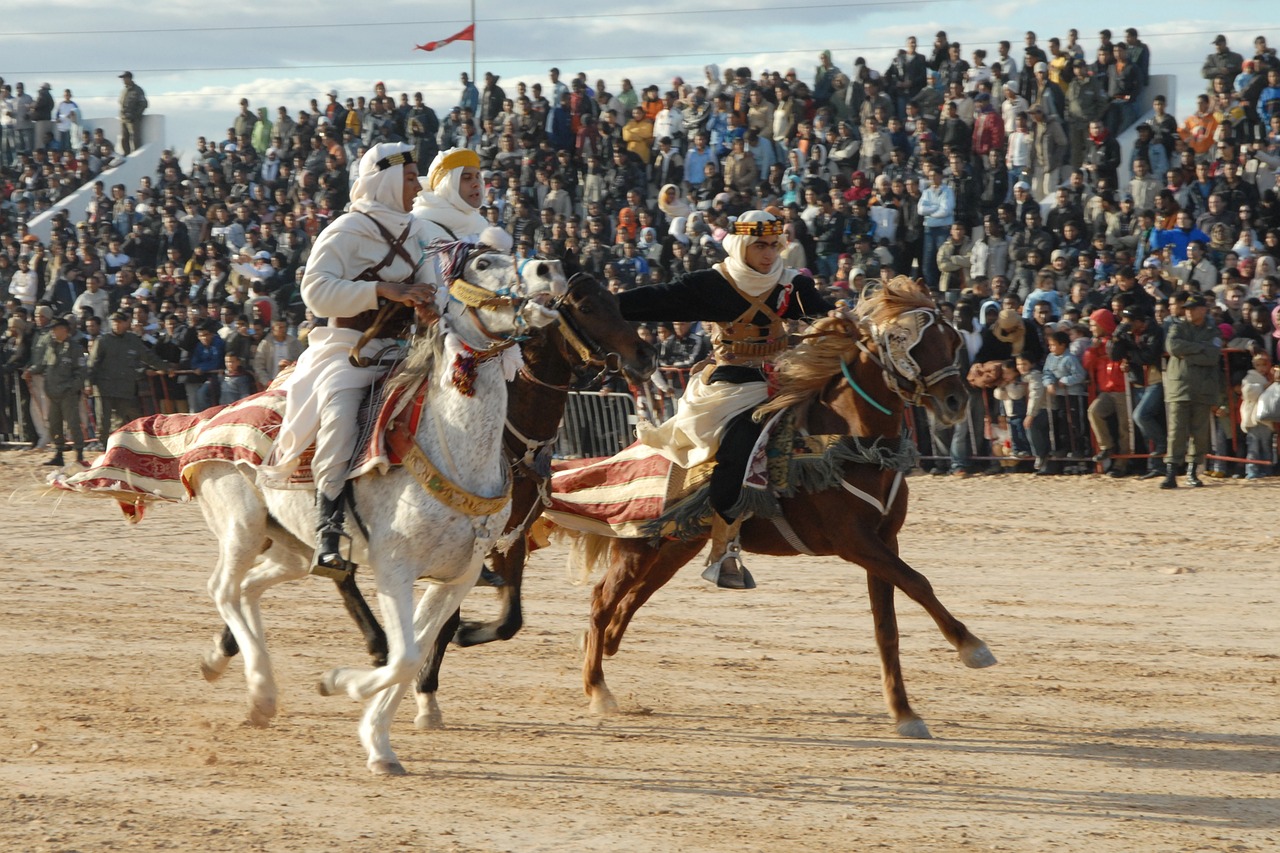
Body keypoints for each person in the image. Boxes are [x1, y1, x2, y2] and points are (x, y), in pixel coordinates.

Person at [615, 210, 833, 589]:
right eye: (759, 245)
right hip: (733, 385)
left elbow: (824, 318)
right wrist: (601, 304)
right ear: (741, 245)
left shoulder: (792, 284)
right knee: (740, 444)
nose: (768, 254)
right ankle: (724, 549)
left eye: (773, 245)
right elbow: (656, 300)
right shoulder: (713, 283)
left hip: (787, 378)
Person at [259, 142, 439, 579]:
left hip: (408, 352)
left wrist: (431, 305)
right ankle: (329, 524)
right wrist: (381, 291)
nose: (419, 186)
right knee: (340, 414)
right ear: (388, 180)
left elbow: (436, 286)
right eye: (411, 178)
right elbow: (315, 291)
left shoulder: (420, 231)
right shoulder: (345, 230)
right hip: (348, 348)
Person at [1161, 292, 1223, 488]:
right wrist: (1199, 348)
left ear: (1203, 310)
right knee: (1176, 431)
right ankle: (1171, 471)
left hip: (1202, 388)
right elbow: (1173, 347)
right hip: (1180, 386)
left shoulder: (1212, 331)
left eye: (1193, 308)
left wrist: (1188, 354)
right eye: (1186, 309)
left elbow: (1212, 356)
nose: (1188, 312)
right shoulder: (1177, 327)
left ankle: (1192, 471)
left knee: (1199, 433)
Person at [87, 310, 168, 445]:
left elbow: (147, 357)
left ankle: (116, 447)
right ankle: (104, 447)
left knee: (120, 421)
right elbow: (92, 364)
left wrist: (165, 367)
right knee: (103, 421)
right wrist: (88, 383)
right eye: (114, 323)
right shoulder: (103, 341)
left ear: (126, 323)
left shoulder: (132, 340)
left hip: (124, 387)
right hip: (104, 387)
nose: (117, 326)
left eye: (120, 322)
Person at [23, 318, 86, 466]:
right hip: (52, 393)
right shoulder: (51, 347)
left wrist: (72, 388)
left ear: (64, 329)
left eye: (55, 329)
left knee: (73, 424)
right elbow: (43, 364)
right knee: (54, 424)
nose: (52, 332)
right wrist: (30, 371)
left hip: (67, 394)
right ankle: (58, 454)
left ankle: (79, 455)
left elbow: (81, 372)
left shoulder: (75, 348)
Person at [118, 71, 147, 155]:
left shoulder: (138, 90)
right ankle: (126, 154)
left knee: (135, 138)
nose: (123, 80)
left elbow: (143, 104)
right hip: (124, 119)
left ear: (129, 78)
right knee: (124, 138)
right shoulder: (124, 91)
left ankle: (136, 155)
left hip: (133, 120)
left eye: (124, 78)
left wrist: (135, 115)